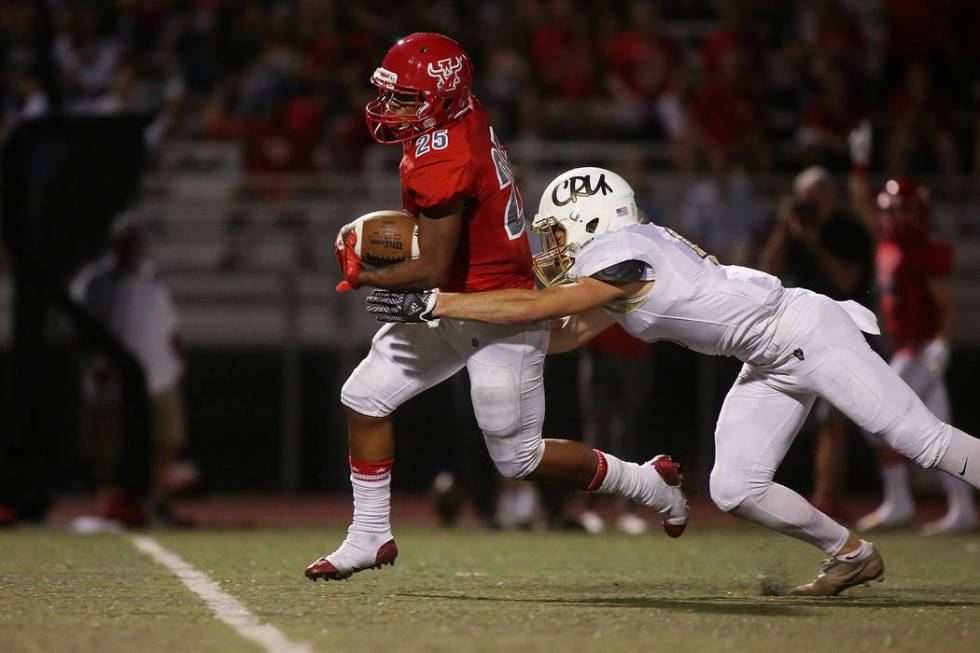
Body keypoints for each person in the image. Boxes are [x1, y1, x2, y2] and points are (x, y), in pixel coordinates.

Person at [367, 167, 980, 597]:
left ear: (590, 218)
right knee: (736, 486)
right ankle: (851, 554)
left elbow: (535, 309)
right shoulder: (624, 259)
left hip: (804, 330)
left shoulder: (622, 253)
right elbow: (563, 333)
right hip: (769, 355)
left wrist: (439, 303)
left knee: (920, 439)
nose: (550, 245)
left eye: (557, 231)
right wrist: (470, 347)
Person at [304, 35, 687, 582]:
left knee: (519, 459)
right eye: (391, 96)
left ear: (440, 97)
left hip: (495, 306)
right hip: (454, 296)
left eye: (406, 98)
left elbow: (432, 266)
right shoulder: (460, 113)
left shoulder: (444, 156)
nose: (390, 109)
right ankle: (369, 535)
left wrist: (363, 270)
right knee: (363, 397)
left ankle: (646, 482)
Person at [854, 178, 976, 534]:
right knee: (940, 432)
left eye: (902, 209)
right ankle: (961, 507)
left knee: (870, 412)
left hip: (920, 350)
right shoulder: (890, 238)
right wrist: (860, 167)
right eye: (890, 209)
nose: (894, 215)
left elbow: (945, 305)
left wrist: (942, 343)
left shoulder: (926, 247)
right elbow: (863, 204)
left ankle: (899, 499)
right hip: (907, 347)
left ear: (919, 211)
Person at [757, 165, 874, 520]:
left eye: (815, 198)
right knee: (792, 419)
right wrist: (784, 229)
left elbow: (847, 278)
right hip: (795, 332)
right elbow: (765, 272)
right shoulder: (792, 231)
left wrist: (813, 241)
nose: (810, 206)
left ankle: (826, 500)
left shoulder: (849, 230)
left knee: (832, 421)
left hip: (842, 332)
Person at [71, 212, 189, 527]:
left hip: (158, 373)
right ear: (114, 244)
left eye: (136, 242)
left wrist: (176, 358)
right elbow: (79, 329)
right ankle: (110, 504)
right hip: (113, 378)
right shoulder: (94, 281)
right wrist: (95, 363)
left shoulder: (152, 278)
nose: (132, 248)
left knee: (167, 438)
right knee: (108, 447)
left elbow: (169, 324)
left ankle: (150, 502)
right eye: (126, 242)